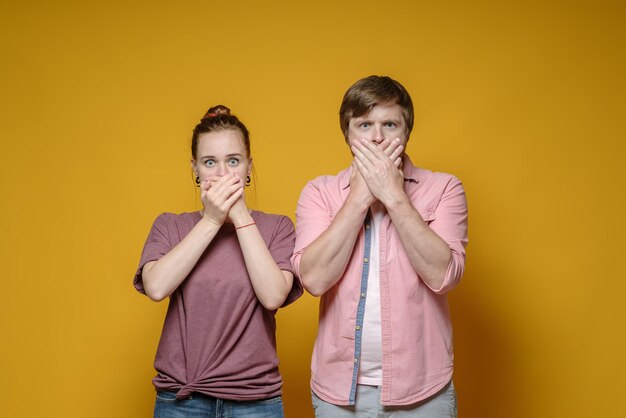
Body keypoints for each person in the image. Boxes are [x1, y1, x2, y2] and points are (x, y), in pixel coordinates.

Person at [291, 76, 468, 417]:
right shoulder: (319, 192)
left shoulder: (445, 188)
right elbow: (313, 279)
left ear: (406, 132)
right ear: (348, 134)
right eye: (364, 125)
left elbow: (444, 275)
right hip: (339, 395)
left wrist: (393, 194)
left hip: (423, 393)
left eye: (389, 124)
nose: (376, 137)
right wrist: (359, 198)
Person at [134, 105, 302, 418]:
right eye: (210, 162)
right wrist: (211, 220)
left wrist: (239, 215)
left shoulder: (277, 227)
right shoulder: (171, 226)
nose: (223, 174)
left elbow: (273, 296)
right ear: (195, 168)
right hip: (182, 401)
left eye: (233, 161)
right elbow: (156, 287)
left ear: (249, 167)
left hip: (255, 401)